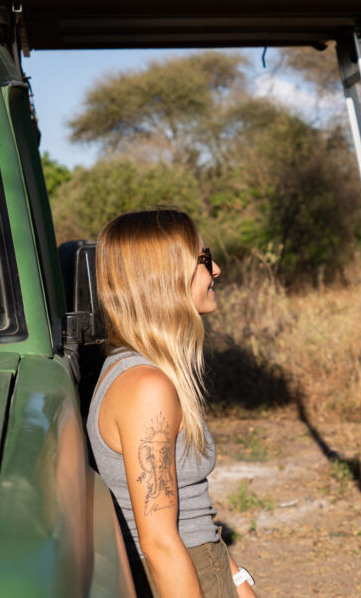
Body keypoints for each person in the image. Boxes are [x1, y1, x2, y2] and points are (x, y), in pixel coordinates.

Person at [88, 208, 257, 598]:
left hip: (205, 566)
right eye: (202, 259)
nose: (216, 270)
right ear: (163, 277)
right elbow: (160, 543)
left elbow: (192, 514)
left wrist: (238, 580)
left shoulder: (145, 373)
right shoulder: (146, 386)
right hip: (184, 579)